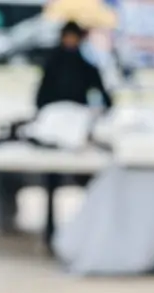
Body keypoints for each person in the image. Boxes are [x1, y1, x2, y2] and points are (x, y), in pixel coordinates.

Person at [33, 21, 113, 246]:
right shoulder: (54, 63)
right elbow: (41, 96)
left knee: (86, 181)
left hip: (77, 125)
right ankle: (51, 228)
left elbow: (103, 95)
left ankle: (85, 228)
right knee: (52, 181)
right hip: (55, 126)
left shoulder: (84, 65)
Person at [35, 21, 113, 111]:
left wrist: (108, 104)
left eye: (73, 37)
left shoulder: (83, 63)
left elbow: (96, 82)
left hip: (77, 108)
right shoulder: (54, 62)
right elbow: (45, 86)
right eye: (68, 37)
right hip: (54, 108)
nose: (70, 40)